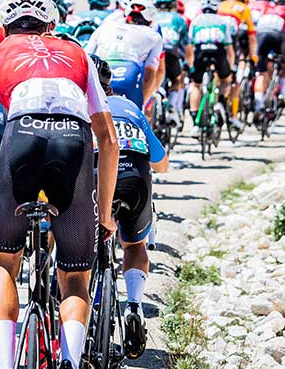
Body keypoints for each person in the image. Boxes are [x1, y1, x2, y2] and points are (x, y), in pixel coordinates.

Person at [0, 0, 119, 369]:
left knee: (4, 262)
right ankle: (70, 360)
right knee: (75, 277)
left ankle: (5, 363)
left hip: (20, 137)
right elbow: (109, 140)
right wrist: (103, 215)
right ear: (51, 26)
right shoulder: (79, 54)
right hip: (75, 140)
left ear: (4, 26)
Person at [90, 54, 168, 359]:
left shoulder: (79, 106)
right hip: (136, 180)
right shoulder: (131, 108)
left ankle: (88, 305)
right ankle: (134, 304)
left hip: (99, 180)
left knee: (80, 241)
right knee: (135, 245)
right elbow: (161, 163)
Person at [85, 0, 165, 113]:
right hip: (128, 73)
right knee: (135, 120)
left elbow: (86, 57)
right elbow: (150, 74)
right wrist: (141, 106)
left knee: (92, 116)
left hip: (101, 71)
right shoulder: (154, 36)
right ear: (150, 20)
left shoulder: (104, 27)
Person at [186, 0, 237, 120]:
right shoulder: (223, 21)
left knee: (196, 85)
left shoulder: (196, 21)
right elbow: (230, 49)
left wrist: (190, 65)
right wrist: (230, 69)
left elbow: (190, 47)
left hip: (200, 50)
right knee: (226, 80)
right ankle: (220, 102)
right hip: (217, 50)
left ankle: (194, 119)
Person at [253, 0, 285, 114]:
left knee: (262, 72)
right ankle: (282, 94)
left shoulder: (267, 10)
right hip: (277, 35)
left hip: (261, 34)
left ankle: (258, 102)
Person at [153, 0, 189, 125]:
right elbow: (187, 47)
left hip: (156, 52)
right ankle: (172, 106)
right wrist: (189, 65)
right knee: (177, 80)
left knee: (153, 79)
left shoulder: (152, 17)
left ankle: (156, 96)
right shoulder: (179, 19)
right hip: (172, 52)